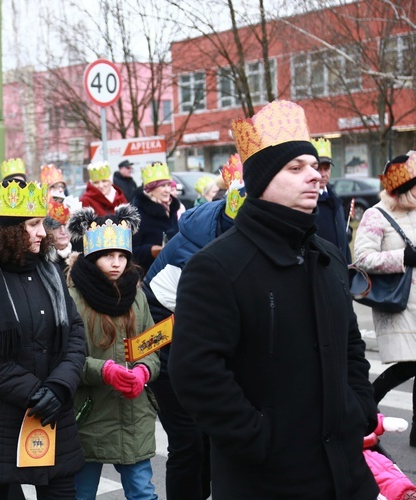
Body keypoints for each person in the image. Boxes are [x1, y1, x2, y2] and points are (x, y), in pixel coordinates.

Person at [168, 100, 378, 498]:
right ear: (262, 180)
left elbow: (351, 345)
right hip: (267, 481)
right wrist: (259, 439)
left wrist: (360, 409)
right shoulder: (217, 265)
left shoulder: (329, 255)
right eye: (295, 168)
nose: (314, 176)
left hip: (346, 474)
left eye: (314, 166)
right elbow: (196, 373)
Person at [0, 178, 86, 500]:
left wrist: (58, 386)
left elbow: (75, 334)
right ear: (10, 230)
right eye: (34, 225)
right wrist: (33, 390)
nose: (43, 233)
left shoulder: (49, 269)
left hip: (54, 414)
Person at [142, 154, 245, 500]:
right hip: (164, 345)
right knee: (188, 441)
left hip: (195, 343)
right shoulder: (200, 251)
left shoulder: (226, 231)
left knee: (208, 438)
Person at [66, 205, 160, 500]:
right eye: (108, 255)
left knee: (143, 492)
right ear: (92, 257)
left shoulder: (137, 294)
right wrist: (104, 370)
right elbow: (65, 357)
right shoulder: (71, 295)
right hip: (88, 413)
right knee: (81, 493)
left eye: (122, 256)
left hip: (132, 412)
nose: (117, 263)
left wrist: (144, 370)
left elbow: (152, 346)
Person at [354, 152, 416, 445]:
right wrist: (403, 256)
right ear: (404, 186)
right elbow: (362, 258)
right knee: (410, 364)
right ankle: (367, 402)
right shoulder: (375, 214)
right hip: (400, 302)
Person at [131, 162, 182, 273]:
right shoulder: (138, 213)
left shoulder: (171, 208)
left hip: (172, 269)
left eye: (169, 185)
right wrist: (152, 251)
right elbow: (132, 251)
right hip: (149, 273)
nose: (167, 190)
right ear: (150, 188)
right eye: (162, 186)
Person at [312, 138, 351, 262]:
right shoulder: (309, 202)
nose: (323, 174)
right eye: (319, 169)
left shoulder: (334, 197)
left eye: (326, 168)